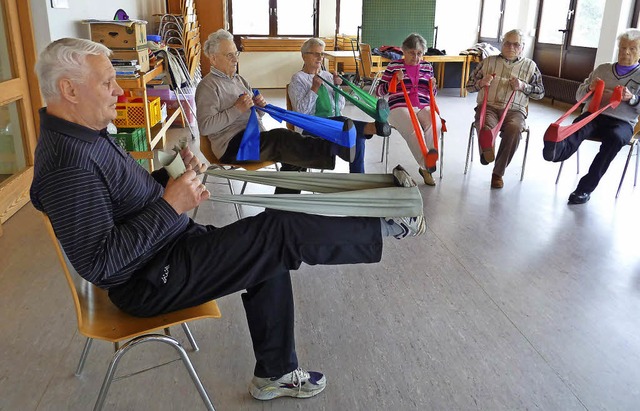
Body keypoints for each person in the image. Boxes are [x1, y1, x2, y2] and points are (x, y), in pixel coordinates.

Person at [30, 38, 426, 402]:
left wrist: (168, 180)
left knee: (267, 246)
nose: (119, 90)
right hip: (150, 280)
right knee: (278, 230)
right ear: (69, 90)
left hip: (167, 249)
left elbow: (120, 203)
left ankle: (275, 372)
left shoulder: (82, 135)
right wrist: (170, 204)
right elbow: (101, 263)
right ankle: (387, 225)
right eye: (107, 83)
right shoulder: (69, 164)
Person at [196, 29, 354, 194]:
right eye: (229, 55)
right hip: (233, 147)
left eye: (236, 53)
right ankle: (334, 149)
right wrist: (237, 109)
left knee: (294, 158)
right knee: (281, 137)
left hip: (253, 137)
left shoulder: (239, 80)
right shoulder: (208, 86)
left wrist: (260, 107)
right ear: (213, 58)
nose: (235, 59)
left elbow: (256, 115)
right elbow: (205, 127)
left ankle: (282, 209)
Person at [543, 28, 640, 204]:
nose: (626, 52)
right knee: (580, 125)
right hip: (594, 115)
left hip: (623, 122)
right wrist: (589, 89)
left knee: (615, 138)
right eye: (623, 47)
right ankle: (556, 151)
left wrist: (632, 99)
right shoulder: (602, 69)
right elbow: (579, 96)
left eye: (632, 48)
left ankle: (584, 189)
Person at [288, 37, 391, 173]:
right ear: (304, 56)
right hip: (311, 126)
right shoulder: (298, 79)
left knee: (356, 134)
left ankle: (358, 179)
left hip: (334, 124)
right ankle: (373, 128)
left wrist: (338, 87)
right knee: (348, 126)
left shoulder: (327, 76)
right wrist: (314, 88)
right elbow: (302, 112)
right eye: (315, 54)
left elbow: (339, 107)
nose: (319, 58)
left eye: (322, 54)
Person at [466, 29, 544, 189]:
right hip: (489, 107)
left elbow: (540, 93)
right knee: (486, 125)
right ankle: (487, 149)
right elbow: (469, 86)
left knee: (514, 129)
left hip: (515, 110)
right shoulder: (488, 62)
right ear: (502, 44)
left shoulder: (530, 66)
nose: (511, 47)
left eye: (516, 44)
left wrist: (523, 86)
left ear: (522, 47)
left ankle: (497, 173)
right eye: (507, 43)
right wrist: (481, 83)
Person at [375, 33, 442, 186]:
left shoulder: (427, 66)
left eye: (419, 53)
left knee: (435, 123)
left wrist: (433, 87)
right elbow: (379, 91)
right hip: (399, 106)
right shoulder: (393, 66)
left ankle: (428, 161)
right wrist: (394, 80)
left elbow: (432, 94)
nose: (416, 57)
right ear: (404, 51)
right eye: (412, 53)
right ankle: (427, 166)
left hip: (422, 105)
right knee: (413, 128)